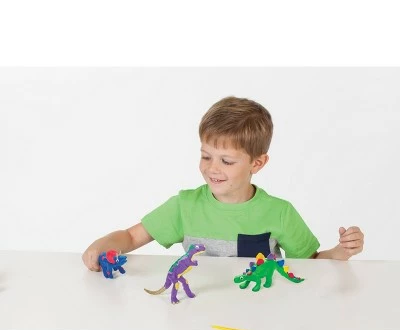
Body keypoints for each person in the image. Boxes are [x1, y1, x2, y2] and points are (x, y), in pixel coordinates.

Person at [82, 96, 364, 272]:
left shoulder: (280, 212)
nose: (212, 168)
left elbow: (311, 265)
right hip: (200, 313)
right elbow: (131, 237)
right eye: (206, 156)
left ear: (257, 163)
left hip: (261, 312)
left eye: (226, 161)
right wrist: (103, 245)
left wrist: (342, 251)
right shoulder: (184, 206)